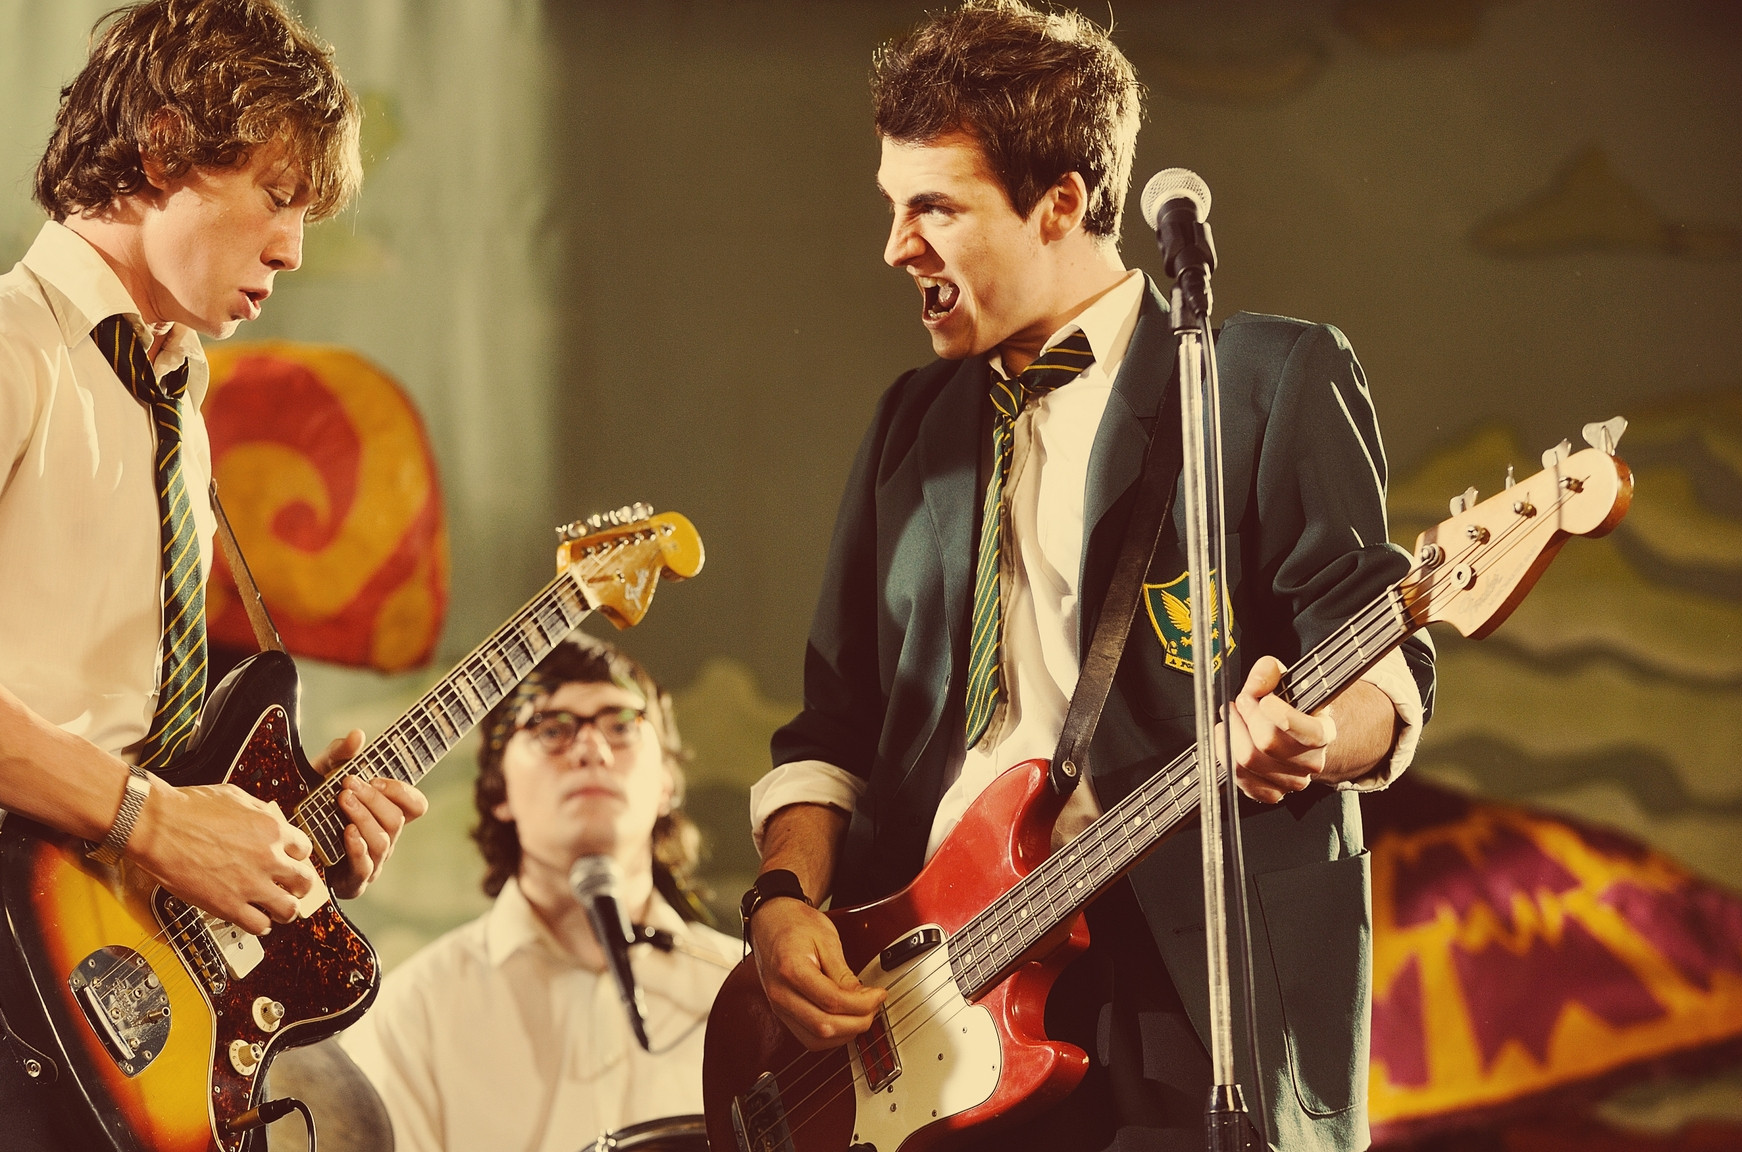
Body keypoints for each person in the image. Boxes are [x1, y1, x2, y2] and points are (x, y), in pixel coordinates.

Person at [744, 4, 1436, 1151]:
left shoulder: (1261, 381)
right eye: (891, 205)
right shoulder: (909, 423)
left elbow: (1378, 660)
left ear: (1060, 203)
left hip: (1185, 997)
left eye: (934, 208)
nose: (896, 247)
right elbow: (832, 727)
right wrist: (780, 897)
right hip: (929, 1011)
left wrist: (1316, 740)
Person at [0, 2, 426, 1148]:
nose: (292, 249)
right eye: (277, 196)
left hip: (133, 949)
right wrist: (155, 820)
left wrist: (281, 828)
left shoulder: (171, 395)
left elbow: (125, 740)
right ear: (163, 147)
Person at [341, 636, 740, 1152]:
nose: (591, 750)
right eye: (551, 729)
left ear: (667, 780)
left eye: (622, 725)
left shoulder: (751, 994)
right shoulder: (411, 1013)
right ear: (499, 788)